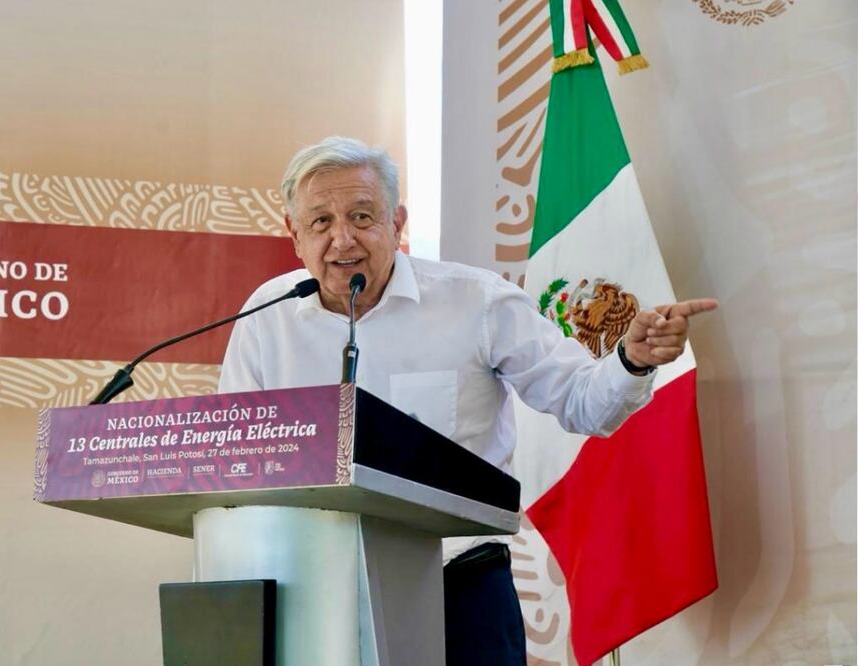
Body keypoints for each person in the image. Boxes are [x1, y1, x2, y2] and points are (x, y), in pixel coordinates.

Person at [217, 136, 717, 665]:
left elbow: (584, 402)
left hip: (458, 588)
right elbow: (233, 458)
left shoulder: (476, 302)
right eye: (320, 222)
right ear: (294, 233)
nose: (343, 239)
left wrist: (631, 359)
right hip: (315, 593)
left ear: (397, 222)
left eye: (362, 216)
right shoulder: (265, 317)